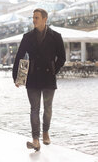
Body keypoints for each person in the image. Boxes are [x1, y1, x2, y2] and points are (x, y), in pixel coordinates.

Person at [12, 8, 66, 151]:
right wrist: (17, 77)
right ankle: (35, 140)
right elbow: (20, 57)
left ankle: (45, 132)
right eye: (33, 17)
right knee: (34, 109)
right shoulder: (27, 37)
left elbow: (62, 57)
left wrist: (54, 69)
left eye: (36, 17)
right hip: (32, 77)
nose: (34, 20)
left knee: (47, 108)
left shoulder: (56, 36)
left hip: (49, 77)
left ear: (44, 19)